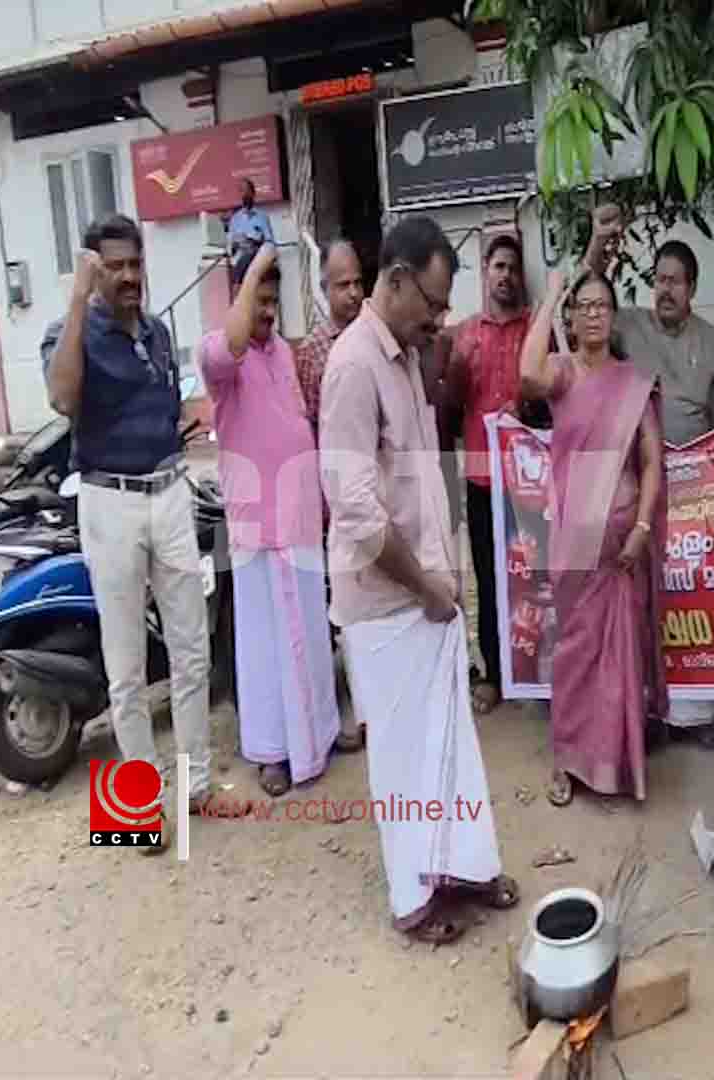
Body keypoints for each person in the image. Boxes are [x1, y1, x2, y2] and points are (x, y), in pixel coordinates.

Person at [321, 215, 518, 945]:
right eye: (432, 303)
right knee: (404, 757)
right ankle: (414, 898)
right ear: (397, 280)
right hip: (386, 603)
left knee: (449, 743)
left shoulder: (404, 356)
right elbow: (353, 506)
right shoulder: (352, 366)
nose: (439, 318)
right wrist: (426, 586)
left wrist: (441, 577)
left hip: (426, 592)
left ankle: (463, 867)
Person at [41, 213, 247, 853]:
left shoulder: (156, 332)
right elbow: (63, 399)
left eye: (135, 263)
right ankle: (136, 812)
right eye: (115, 267)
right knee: (126, 668)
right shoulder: (69, 332)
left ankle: (196, 787)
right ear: (94, 269)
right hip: (110, 503)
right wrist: (79, 300)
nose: (130, 276)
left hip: (169, 493)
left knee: (191, 651)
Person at [197, 243, 358, 798]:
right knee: (266, 648)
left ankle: (320, 733)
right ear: (238, 299)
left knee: (311, 637)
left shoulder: (284, 354)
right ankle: (271, 751)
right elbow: (232, 343)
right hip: (258, 530)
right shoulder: (219, 353)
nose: (267, 311)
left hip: (300, 521)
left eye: (272, 301)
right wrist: (256, 266)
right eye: (257, 300)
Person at [518, 268, 667, 807]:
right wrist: (551, 295)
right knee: (575, 655)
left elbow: (650, 463)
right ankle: (567, 760)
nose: (595, 314)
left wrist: (643, 528)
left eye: (603, 305)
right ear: (573, 318)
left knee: (619, 658)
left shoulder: (633, 382)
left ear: (614, 315)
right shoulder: (562, 374)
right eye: (584, 306)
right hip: (574, 546)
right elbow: (527, 372)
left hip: (622, 546)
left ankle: (614, 763)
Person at [584, 205, 714, 747]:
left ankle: (696, 713)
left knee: (694, 596)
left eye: (676, 281)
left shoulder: (711, 340)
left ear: (693, 289)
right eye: (659, 280)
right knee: (646, 602)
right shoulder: (629, 327)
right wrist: (598, 245)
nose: (665, 290)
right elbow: (588, 295)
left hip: (695, 492)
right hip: (642, 491)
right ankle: (648, 710)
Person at [440, 234, 548, 715]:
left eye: (513, 268)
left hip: (528, 483)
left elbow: (548, 397)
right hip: (483, 480)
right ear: (485, 270)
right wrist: (454, 372)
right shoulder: (464, 336)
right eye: (499, 266)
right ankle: (494, 673)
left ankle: (536, 667)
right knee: (488, 578)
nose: (506, 275)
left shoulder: (534, 330)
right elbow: (449, 409)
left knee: (534, 576)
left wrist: (526, 407)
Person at [295, 238, 366, 434]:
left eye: (357, 283)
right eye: (344, 285)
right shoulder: (312, 351)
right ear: (324, 288)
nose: (354, 293)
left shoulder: (375, 336)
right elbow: (310, 423)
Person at [229, 179, 275, 284]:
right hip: (241, 258)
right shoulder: (235, 219)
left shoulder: (262, 217)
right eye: (242, 190)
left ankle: (239, 283)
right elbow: (230, 246)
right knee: (244, 257)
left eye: (248, 190)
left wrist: (257, 241)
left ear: (253, 193)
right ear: (239, 194)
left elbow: (270, 242)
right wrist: (236, 244)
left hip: (258, 257)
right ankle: (239, 283)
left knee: (252, 252)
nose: (245, 194)